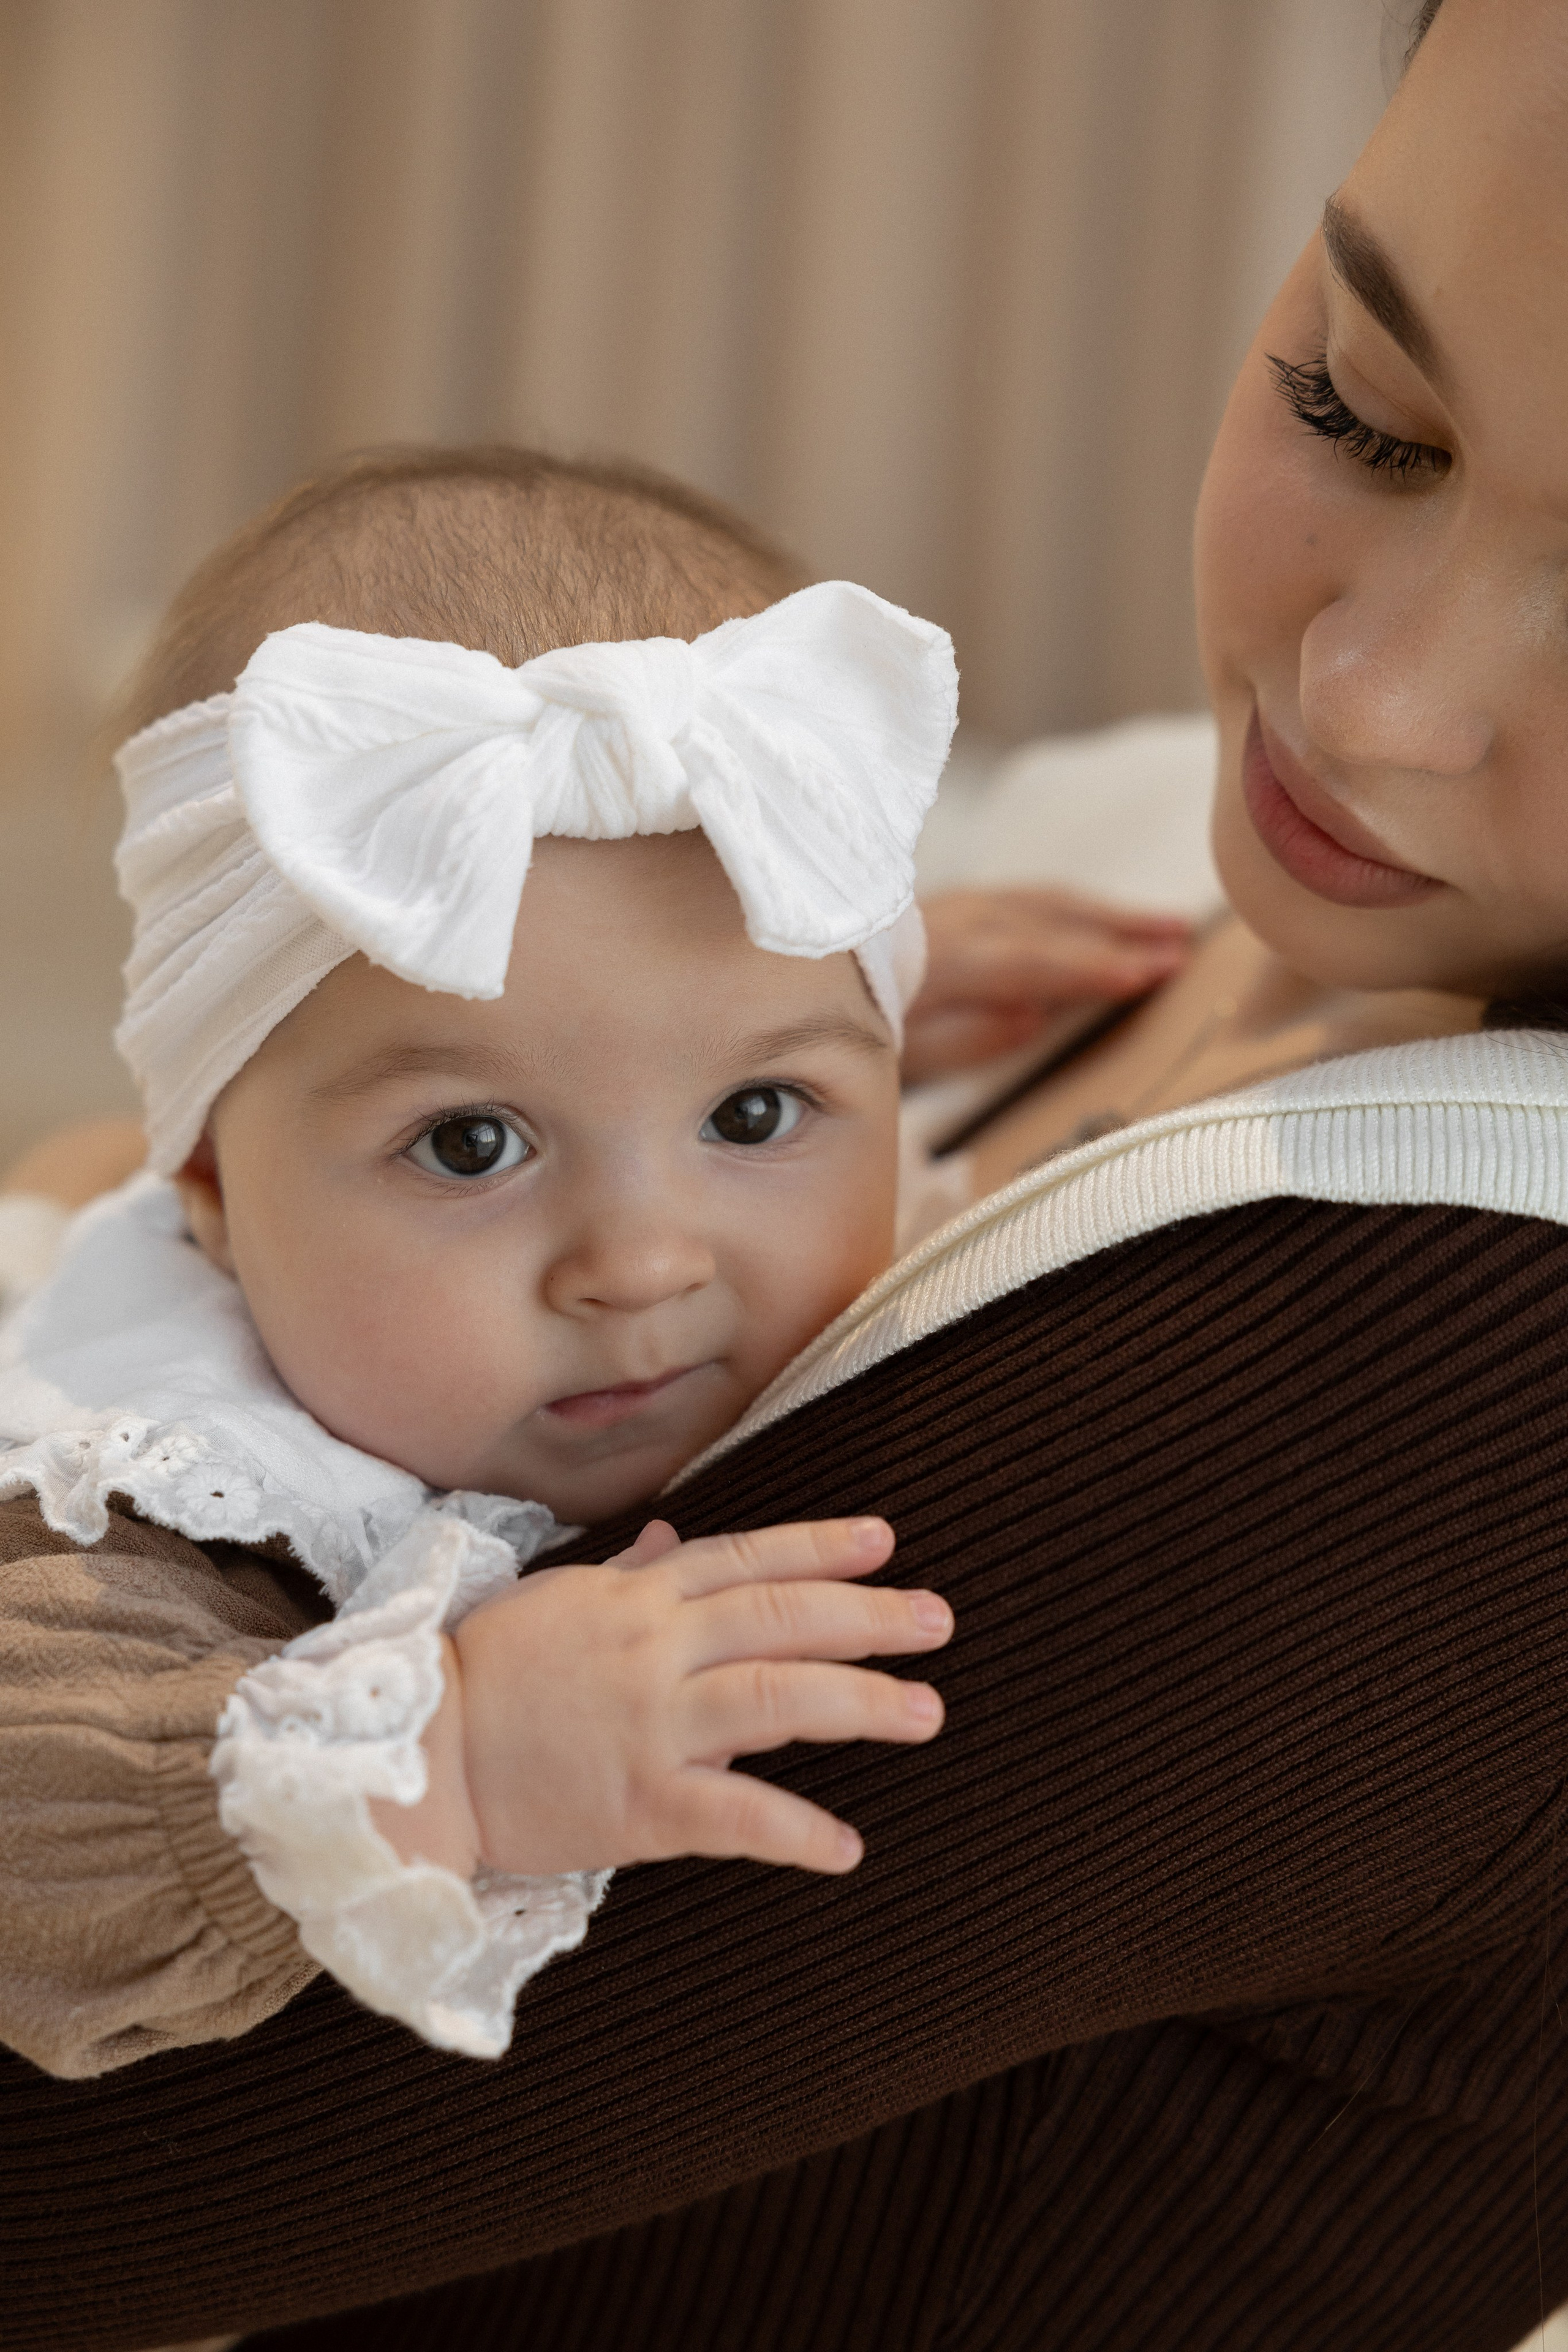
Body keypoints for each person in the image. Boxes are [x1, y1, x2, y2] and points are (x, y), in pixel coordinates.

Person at [4, 0, 1564, 2345]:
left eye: (756, 1114)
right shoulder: (1121, 875)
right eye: (1356, 403)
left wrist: (457, 1753)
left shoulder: (1465, 1364)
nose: (1362, 704)